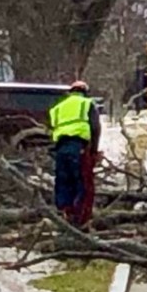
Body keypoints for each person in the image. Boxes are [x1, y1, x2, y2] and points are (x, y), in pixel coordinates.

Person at [46, 80, 100, 225]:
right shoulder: (87, 104)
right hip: (78, 147)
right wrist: (94, 150)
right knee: (82, 182)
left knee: (63, 181)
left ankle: (64, 212)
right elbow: (95, 128)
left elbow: (53, 129)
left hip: (61, 148)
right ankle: (79, 218)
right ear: (85, 92)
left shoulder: (58, 107)